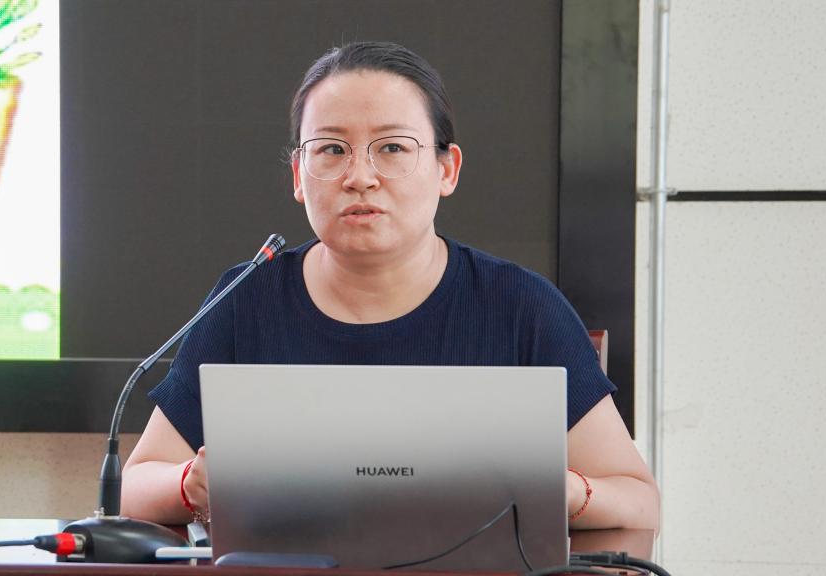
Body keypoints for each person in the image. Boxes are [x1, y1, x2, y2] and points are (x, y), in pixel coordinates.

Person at [122, 41, 660, 531]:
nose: (360, 176)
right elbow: (136, 487)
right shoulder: (247, 297)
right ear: (298, 176)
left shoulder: (521, 306)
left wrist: (562, 490)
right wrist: (191, 484)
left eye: (393, 148)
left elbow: (638, 499)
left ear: (447, 170)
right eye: (332, 149)